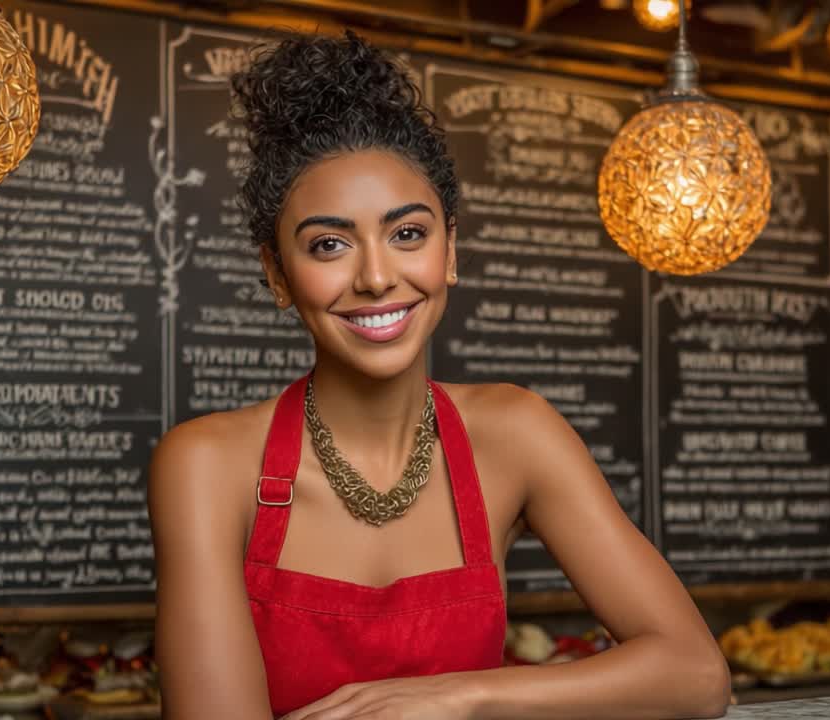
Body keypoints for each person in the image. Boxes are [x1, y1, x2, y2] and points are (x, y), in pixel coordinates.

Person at [148, 30, 729, 720]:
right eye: (329, 244)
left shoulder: (516, 433)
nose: (375, 277)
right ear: (277, 274)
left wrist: (461, 695)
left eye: (408, 234)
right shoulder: (205, 464)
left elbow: (696, 676)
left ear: (449, 250)